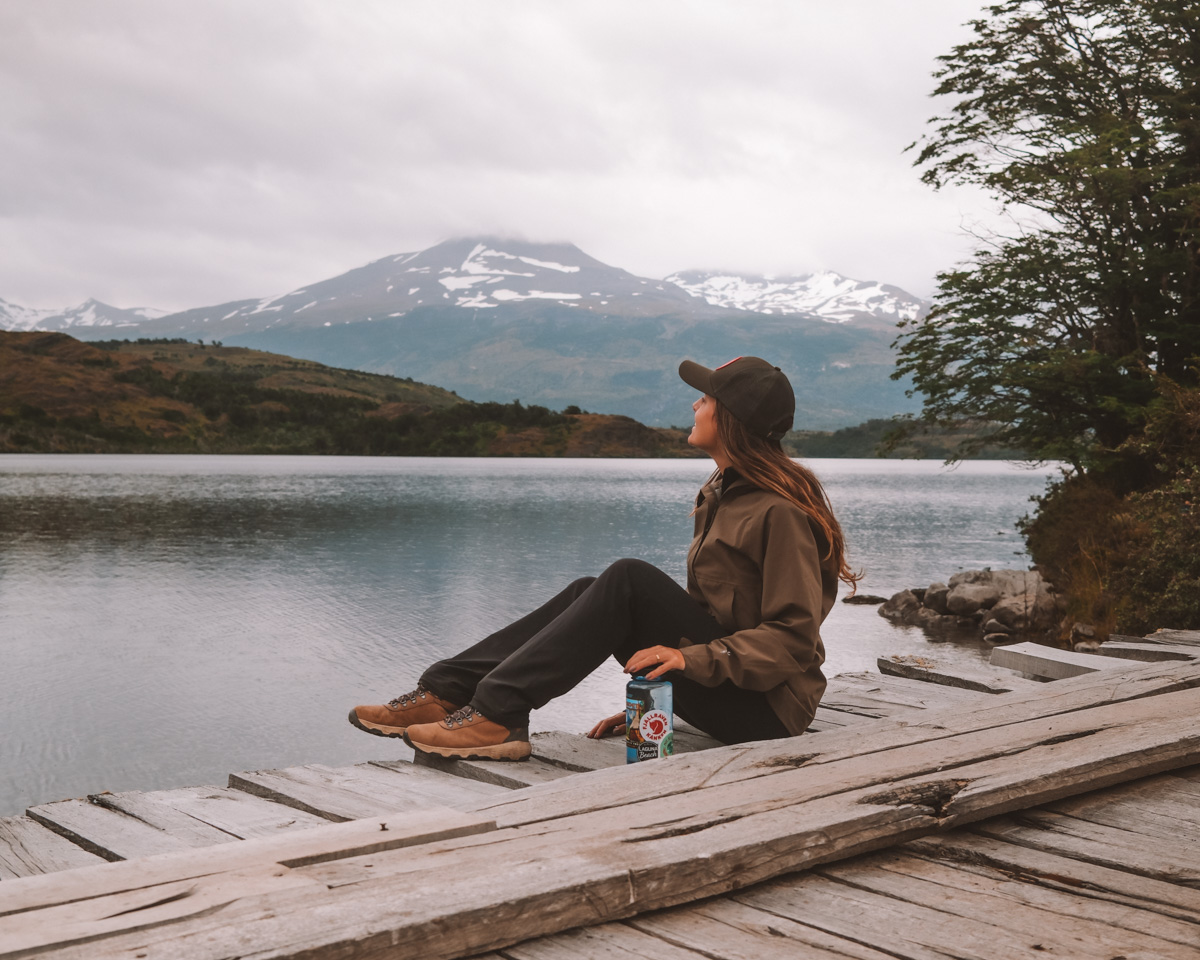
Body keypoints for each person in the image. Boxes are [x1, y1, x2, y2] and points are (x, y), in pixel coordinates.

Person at [348, 356, 859, 761]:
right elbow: (713, 619)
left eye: (704, 398)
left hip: (769, 711)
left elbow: (791, 641)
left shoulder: (779, 511)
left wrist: (687, 661)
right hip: (730, 688)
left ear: (731, 417)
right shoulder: (726, 493)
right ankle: (449, 691)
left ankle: (498, 714)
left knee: (628, 580)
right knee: (590, 588)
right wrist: (667, 703)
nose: (696, 406)